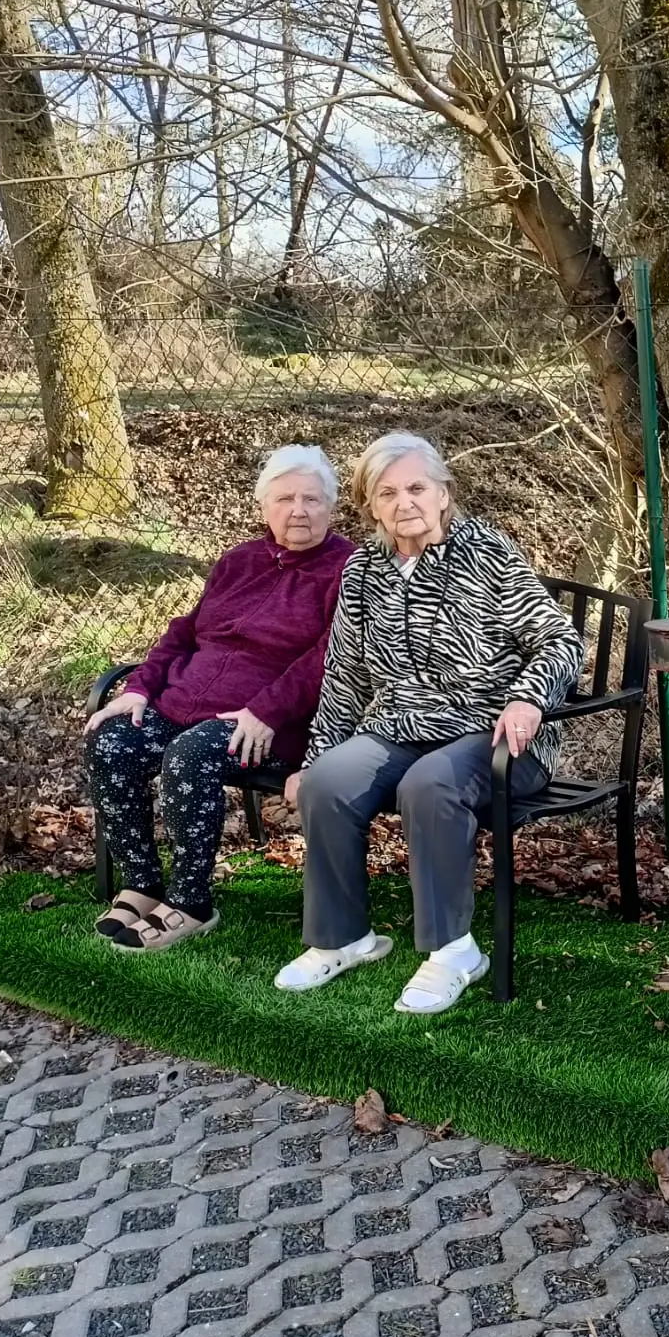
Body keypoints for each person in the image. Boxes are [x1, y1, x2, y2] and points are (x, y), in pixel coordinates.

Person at [277, 432, 584, 1014]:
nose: (405, 503)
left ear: (443, 493)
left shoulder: (487, 554)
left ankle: (454, 951)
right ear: (370, 506)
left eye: (417, 488)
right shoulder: (363, 570)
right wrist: (315, 757)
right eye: (387, 493)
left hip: (495, 733)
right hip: (399, 728)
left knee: (429, 784)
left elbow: (559, 639)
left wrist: (528, 699)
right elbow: (345, 674)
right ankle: (343, 938)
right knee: (327, 783)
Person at [85, 445, 352, 950]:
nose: (298, 510)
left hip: (269, 723)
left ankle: (191, 902)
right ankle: (142, 883)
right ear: (264, 506)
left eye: (312, 499)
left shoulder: (347, 569)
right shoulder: (239, 561)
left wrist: (267, 710)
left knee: (191, 754)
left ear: (331, 506)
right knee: (113, 741)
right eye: (285, 499)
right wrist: (139, 687)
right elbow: (184, 633)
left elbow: (330, 657)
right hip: (181, 702)